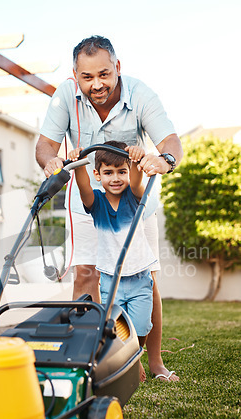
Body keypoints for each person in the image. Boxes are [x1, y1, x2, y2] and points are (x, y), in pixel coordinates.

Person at [35, 35, 183, 382]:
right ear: (76, 75)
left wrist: (165, 159)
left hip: (135, 204)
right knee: (86, 275)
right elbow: (45, 147)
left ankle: (155, 362)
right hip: (89, 202)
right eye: (87, 78)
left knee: (146, 278)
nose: (96, 84)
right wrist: (52, 160)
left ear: (117, 67)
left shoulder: (141, 94)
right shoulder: (64, 97)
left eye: (104, 74)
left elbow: (169, 140)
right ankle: (85, 361)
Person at [71, 140, 155, 353]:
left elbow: (137, 182)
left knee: (142, 326)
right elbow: (84, 188)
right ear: (97, 175)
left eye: (121, 171)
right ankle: (128, 361)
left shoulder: (135, 197)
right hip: (110, 279)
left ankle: (136, 354)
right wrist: (79, 164)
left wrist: (136, 160)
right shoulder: (97, 202)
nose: (116, 178)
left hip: (139, 277)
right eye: (108, 173)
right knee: (116, 327)